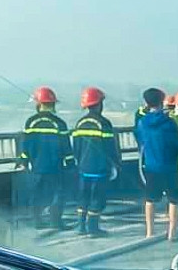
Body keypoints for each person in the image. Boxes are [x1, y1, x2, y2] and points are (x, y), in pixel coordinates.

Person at [20, 87, 74, 229]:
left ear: (38, 104)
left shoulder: (30, 122)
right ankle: (56, 221)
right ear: (53, 104)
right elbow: (66, 148)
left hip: (37, 167)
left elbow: (25, 146)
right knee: (59, 193)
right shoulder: (60, 123)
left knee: (37, 194)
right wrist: (70, 163)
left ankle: (37, 221)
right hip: (55, 167)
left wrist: (24, 161)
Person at [72, 87, 121, 236]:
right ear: (99, 103)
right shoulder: (104, 123)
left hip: (84, 167)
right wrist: (116, 163)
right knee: (97, 198)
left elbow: (77, 146)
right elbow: (110, 147)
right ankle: (93, 228)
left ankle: (81, 227)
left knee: (84, 196)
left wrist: (79, 162)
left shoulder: (80, 123)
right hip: (100, 168)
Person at [135, 88, 178, 240]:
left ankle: (149, 232)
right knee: (174, 199)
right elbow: (176, 145)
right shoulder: (170, 123)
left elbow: (140, 140)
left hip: (151, 167)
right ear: (162, 102)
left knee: (150, 199)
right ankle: (172, 234)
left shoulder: (142, 123)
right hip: (170, 166)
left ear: (146, 103)